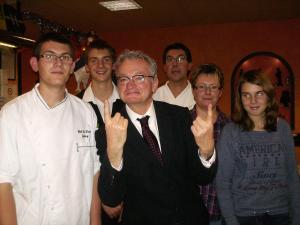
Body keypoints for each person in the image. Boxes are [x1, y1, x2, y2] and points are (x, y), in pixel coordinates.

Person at [98, 49, 217, 225]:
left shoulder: (179, 116)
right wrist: (114, 155)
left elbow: (202, 177)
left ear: (154, 83)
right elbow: (111, 198)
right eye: (123, 79)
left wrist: (207, 152)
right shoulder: (108, 129)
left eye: (139, 77)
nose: (130, 84)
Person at [0, 32, 101, 225]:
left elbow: (95, 172)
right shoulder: (11, 114)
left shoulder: (85, 111)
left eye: (65, 57)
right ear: (34, 64)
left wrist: (95, 222)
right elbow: (3, 182)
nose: (58, 62)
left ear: (72, 66)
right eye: (49, 56)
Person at [216, 70, 300, 225]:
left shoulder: (283, 129)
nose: (252, 100)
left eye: (259, 94)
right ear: (240, 99)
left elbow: (292, 177)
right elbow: (222, 182)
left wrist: (296, 218)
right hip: (243, 217)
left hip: (280, 215)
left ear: (269, 96)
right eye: (246, 95)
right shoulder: (230, 132)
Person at [78, 39, 122, 224]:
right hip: (89, 199)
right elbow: (80, 160)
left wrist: (120, 198)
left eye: (106, 59)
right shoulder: (76, 106)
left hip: (130, 197)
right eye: (94, 60)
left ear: (113, 64)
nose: (100, 65)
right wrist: (103, 199)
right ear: (87, 67)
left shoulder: (129, 102)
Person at [190, 64, 230, 225]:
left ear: (220, 92)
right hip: (187, 213)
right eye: (202, 87)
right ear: (193, 91)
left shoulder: (231, 128)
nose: (207, 92)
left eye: (213, 87)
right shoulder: (179, 125)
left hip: (221, 214)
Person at [153, 42, 195, 109]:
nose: (175, 64)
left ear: (189, 65)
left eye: (180, 59)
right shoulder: (154, 96)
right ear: (164, 67)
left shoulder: (198, 95)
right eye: (170, 59)